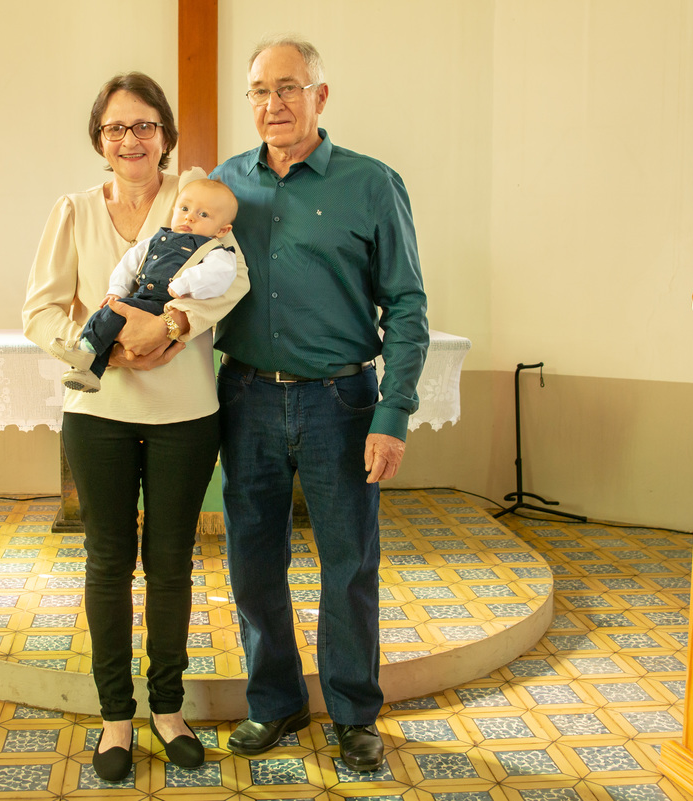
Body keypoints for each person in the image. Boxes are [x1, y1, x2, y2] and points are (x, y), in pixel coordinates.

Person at [21, 72, 248, 782]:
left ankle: (169, 707)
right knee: (108, 561)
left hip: (185, 414)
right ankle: (117, 714)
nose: (131, 139)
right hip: (99, 414)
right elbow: (40, 310)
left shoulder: (198, 199)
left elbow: (233, 277)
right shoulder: (74, 210)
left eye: (144, 125)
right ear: (99, 139)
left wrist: (176, 323)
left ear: (166, 134)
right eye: (117, 128)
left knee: (173, 562)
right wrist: (104, 347)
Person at [211, 37, 428, 773]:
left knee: (348, 563)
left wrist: (392, 414)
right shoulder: (223, 185)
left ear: (320, 96)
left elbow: (406, 306)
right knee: (252, 562)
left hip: (341, 400)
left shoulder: (372, 184)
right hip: (244, 397)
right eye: (259, 91)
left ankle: (353, 713)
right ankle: (272, 701)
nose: (272, 104)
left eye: (289, 88)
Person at [52, 179, 239, 392]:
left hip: (165, 304)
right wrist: (117, 290)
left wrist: (185, 284)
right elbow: (129, 263)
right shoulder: (157, 239)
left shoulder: (216, 251)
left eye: (203, 214)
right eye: (184, 209)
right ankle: (91, 372)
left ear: (223, 230)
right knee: (106, 316)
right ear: (174, 209)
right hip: (141, 296)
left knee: (113, 317)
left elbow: (218, 276)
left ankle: (85, 349)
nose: (190, 217)